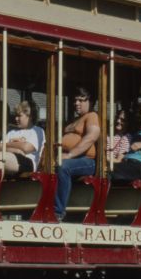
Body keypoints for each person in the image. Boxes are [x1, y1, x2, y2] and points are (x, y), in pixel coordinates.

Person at [53, 87, 101, 220]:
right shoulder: (74, 120)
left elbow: (92, 136)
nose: (76, 103)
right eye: (75, 100)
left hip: (87, 161)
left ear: (90, 102)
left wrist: (69, 155)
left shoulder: (92, 116)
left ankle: (58, 212)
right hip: (73, 158)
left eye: (81, 100)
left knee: (64, 166)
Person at [2, 101, 41, 177]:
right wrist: (16, 150)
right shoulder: (12, 132)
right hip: (11, 157)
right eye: (16, 115)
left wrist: (9, 143)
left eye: (19, 116)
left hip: (28, 161)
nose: (16, 118)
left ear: (30, 117)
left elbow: (26, 148)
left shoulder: (37, 131)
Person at [111, 104, 141, 183]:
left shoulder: (127, 137)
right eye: (117, 118)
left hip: (126, 166)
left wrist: (104, 160)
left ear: (128, 123)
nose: (118, 121)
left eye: (122, 120)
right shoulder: (110, 135)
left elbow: (119, 160)